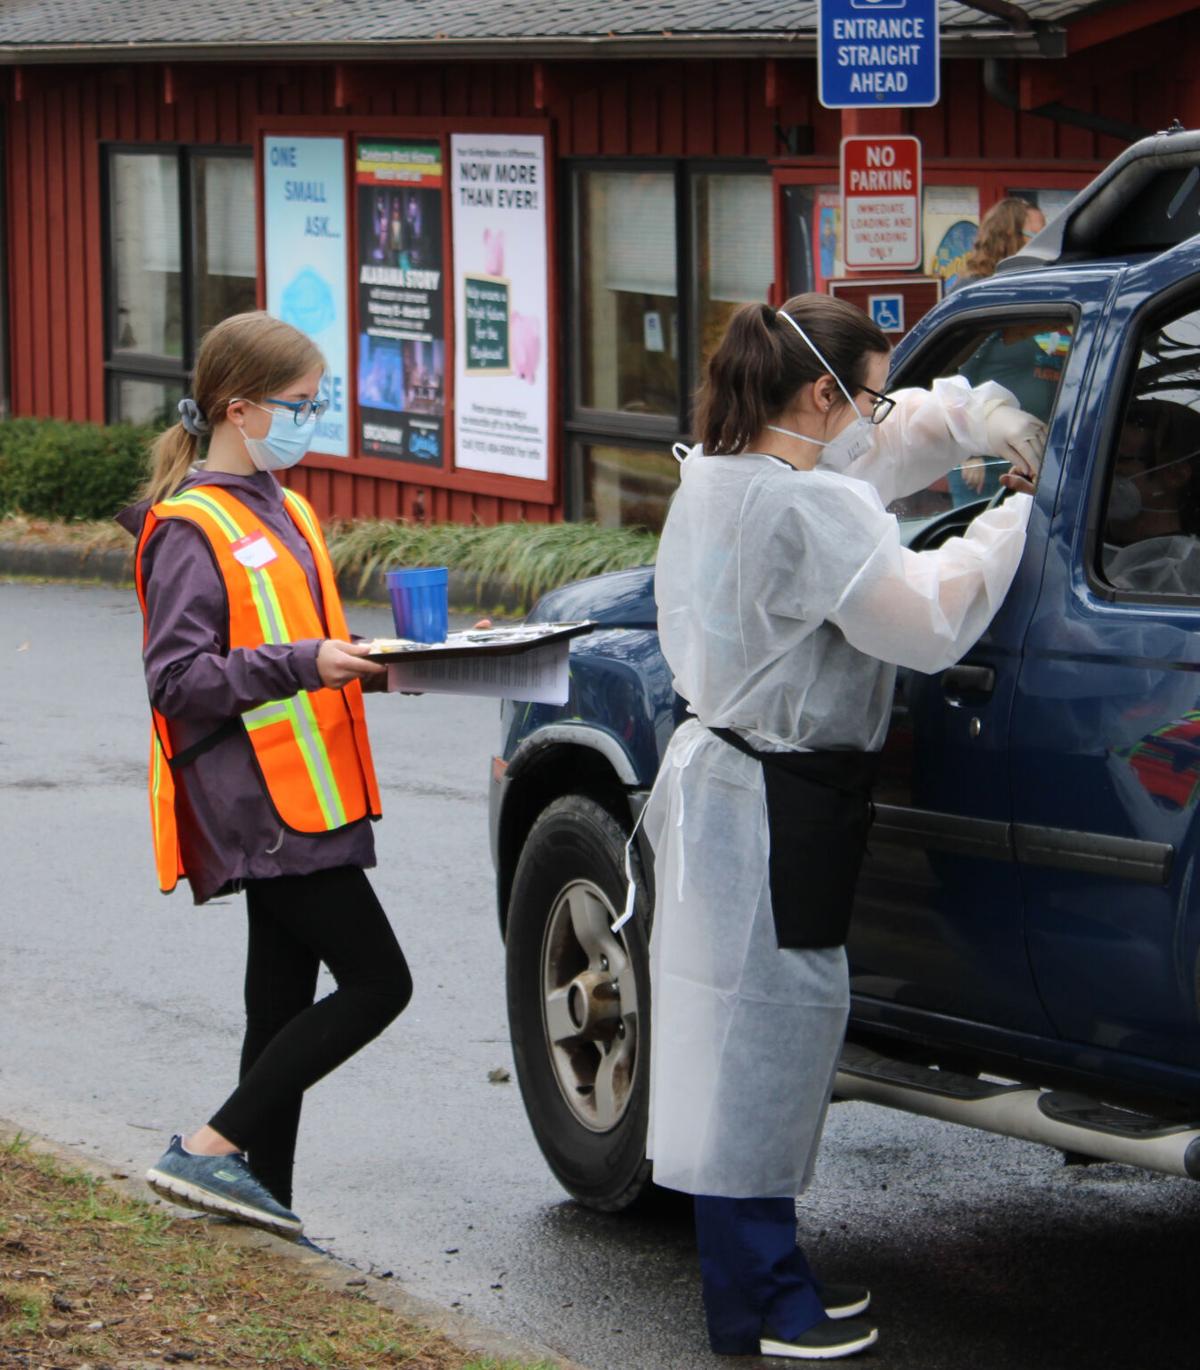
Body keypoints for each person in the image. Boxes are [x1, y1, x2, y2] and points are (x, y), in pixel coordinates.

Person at [640, 294, 1044, 1360]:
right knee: (759, 1041)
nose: (877, 414)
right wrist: (1013, 514)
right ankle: (765, 1301)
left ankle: (762, 1284)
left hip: (750, 784)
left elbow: (900, 432)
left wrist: (985, 413)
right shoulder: (802, 506)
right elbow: (921, 617)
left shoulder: (739, 475)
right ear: (820, 392)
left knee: (748, 1035)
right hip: (776, 794)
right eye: (863, 392)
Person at [116, 311, 412, 1243]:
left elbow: (294, 640)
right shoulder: (189, 526)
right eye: (299, 404)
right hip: (259, 800)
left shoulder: (285, 505)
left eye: (317, 403)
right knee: (379, 983)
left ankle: (257, 1205)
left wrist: (362, 658)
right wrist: (305, 663)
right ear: (237, 409)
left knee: (278, 1005)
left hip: (308, 790)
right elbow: (177, 681)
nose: (311, 419)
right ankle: (207, 1150)